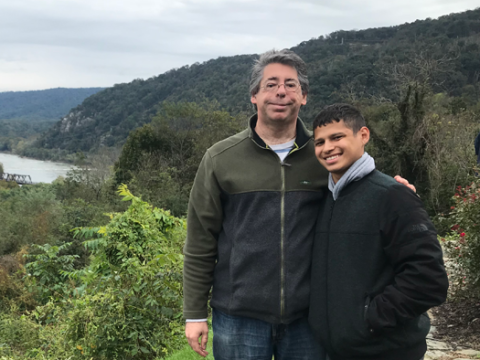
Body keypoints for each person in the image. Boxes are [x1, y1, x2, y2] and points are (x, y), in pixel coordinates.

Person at [183, 49, 416, 360]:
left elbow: (366, 188)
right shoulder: (220, 158)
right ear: (254, 95)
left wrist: (396, 193)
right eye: (271, 84)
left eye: (291, 84)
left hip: (311, 316)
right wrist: (194, 313)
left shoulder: (325, 153)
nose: (281, 91)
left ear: (304, 96)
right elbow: (200, 240)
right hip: (238, 317)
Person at [308, 103, 448, 360]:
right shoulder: (324, 200)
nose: (327, 147)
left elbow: (429, 280)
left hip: (385, 351)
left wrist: (370, 319)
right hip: (334, 351)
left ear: (363, 135)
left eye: (337, 137)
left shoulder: (393, 196)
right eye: (319, 142)